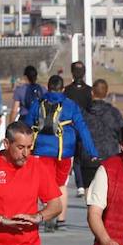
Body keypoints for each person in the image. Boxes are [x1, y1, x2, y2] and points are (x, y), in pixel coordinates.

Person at [25, 75, 98, 231]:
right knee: (61, 185)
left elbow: (27, 125)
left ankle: (47, 215)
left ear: (48, 87)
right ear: (63, 89)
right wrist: (92, 151)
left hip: (42, 150)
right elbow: (82, 129)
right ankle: (61, 220)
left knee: (44, 184)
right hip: (64, 151)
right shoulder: (70, 105)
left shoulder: (38, 103)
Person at [81, 79, 123, 190]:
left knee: (90, 193)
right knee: (109, 191)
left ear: (92, 92)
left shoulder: (83, 113)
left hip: (89, 158)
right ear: (106, 93)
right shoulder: (113, 113)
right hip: (110, 157)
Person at [63, 61, 93, 195]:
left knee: (76, 157)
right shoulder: (89, 90)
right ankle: (85, 184)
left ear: (72, 73)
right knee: (84, 155)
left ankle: (80, 185)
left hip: (70, 126)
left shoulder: (67, 90)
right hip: (85, 126)